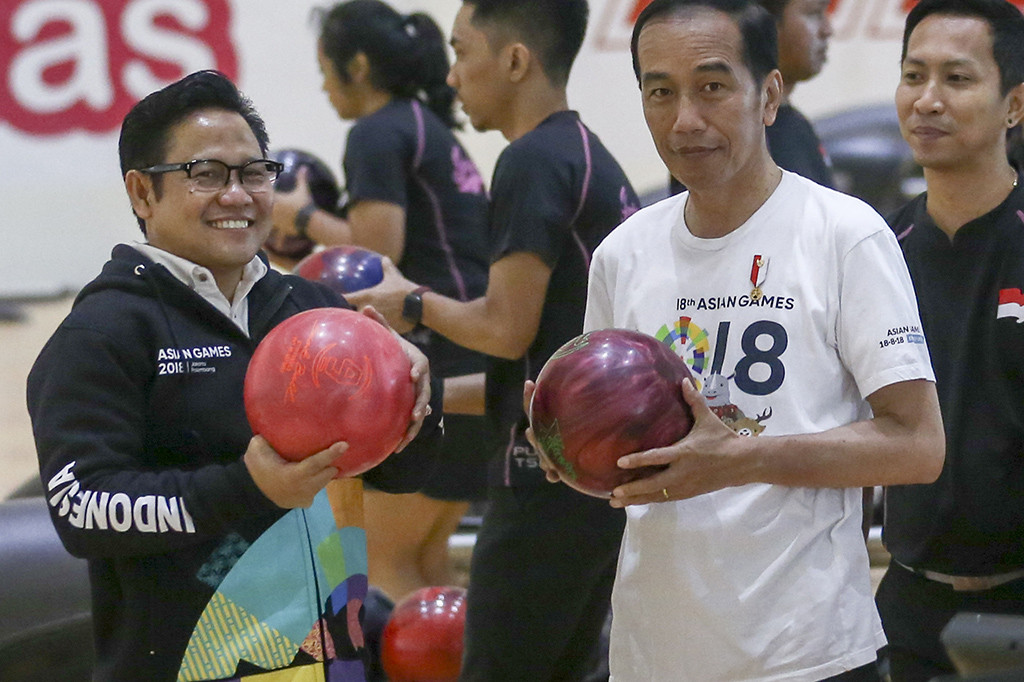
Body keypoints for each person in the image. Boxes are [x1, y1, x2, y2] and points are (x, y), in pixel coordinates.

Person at [25, 70, 441, 682]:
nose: (238, 195)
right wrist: (248, 488)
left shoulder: (314, 308)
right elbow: (84, 510)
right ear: (142, 194)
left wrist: (413, 409)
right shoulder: (104, 333)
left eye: (253, 173)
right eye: (207, 174)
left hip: (333, 666)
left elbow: (402, 474)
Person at [570, 1, 945, 679]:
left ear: (768, 95)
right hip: (651, 656)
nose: (685, 119)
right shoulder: (621, 255)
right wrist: (567, 445)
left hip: (809, 656)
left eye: (712, 87)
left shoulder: (845, 235)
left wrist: (740, 459)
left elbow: (918, 445)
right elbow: (623, 465)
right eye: (660, 92)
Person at [348, 1, 640, 679]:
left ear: (514, 60)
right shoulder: (586, 152)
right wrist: (426, 396)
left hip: (544, 484)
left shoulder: (533, 160)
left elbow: (504, 332)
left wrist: (413, 304)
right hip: (589, 482)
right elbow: (538, 368)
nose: (451, 75)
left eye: (462, 51)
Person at [271, 0, 494, 606]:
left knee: (385, 564)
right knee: (427, 564)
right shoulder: (427, 126)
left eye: (326, 69)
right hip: (473, 367)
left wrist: (300, 216)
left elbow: (375, 255)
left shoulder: (376, 132)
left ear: (359, 66)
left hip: (433, 372)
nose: (322, 85)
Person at [876, 1, 1024, 680]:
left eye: (957, 79)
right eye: (914, 75)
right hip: (908, 605)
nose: (927, 100)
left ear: (1014, 105)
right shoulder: (871, 251)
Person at [669, 0, 834, 196]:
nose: (827, 29)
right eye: (813, 14)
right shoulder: (724, 136)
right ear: (764, 25)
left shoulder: (795, 124)